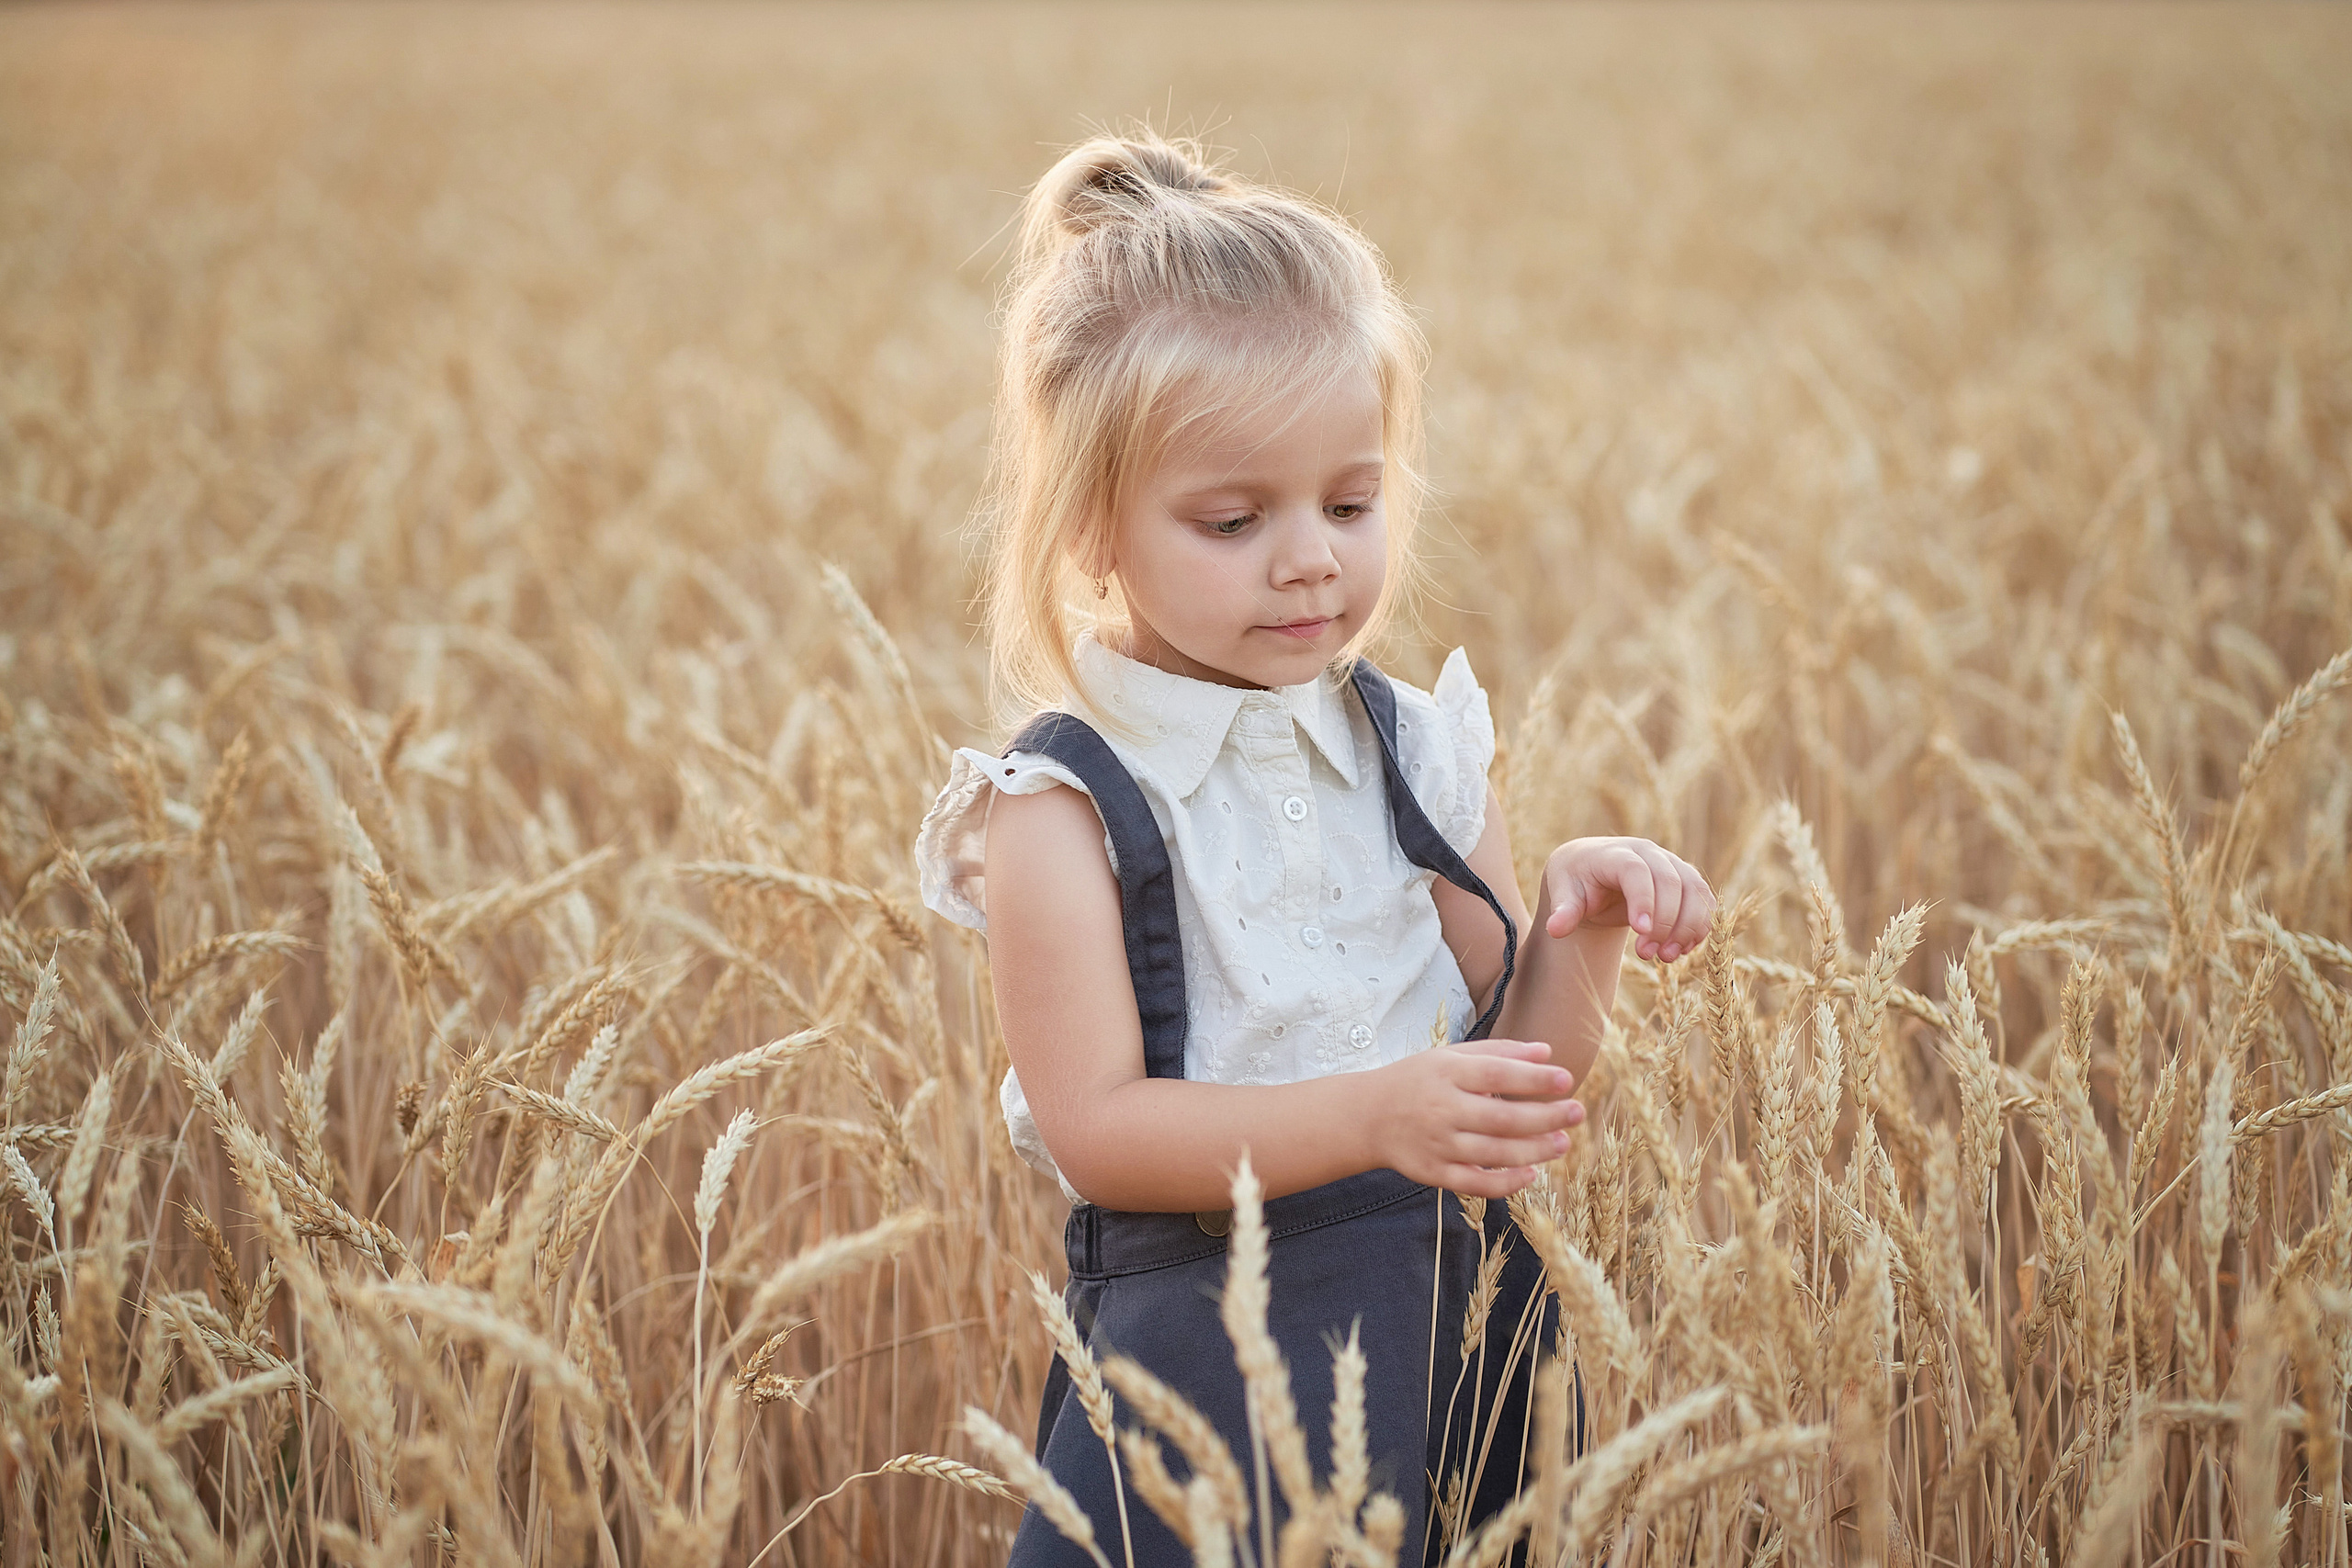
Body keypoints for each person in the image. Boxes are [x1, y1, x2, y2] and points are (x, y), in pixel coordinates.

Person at [916, 130, 1715, 1567]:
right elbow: (1100, 1132)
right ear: (1090, 529)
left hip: (1452, 1344)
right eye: (1235, 519)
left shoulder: (1415, 745)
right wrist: (1372, 1120)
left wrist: (1582, 928)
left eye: (1351, 504)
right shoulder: (1064, 806)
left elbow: (1516, 1077)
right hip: (1205, 1380)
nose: (1311, 558)